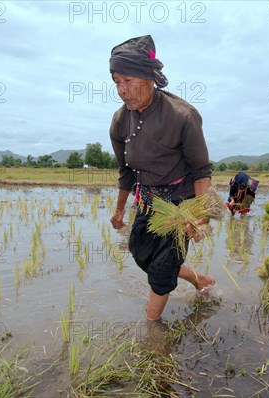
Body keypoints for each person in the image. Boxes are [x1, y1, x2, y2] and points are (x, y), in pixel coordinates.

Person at [108, 35, 215, 321]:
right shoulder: (120, 122)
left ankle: (152, 331)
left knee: (161, 269)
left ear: (150, 77)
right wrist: (119, 209)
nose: (122, 90)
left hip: (181, 205)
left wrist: (200, 216)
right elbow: (126, 173)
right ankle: (198, 279)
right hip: (148, 200)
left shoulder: (183, 116)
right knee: (140, 252)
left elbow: (201, 172)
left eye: (128, 81)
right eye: (117, 81)